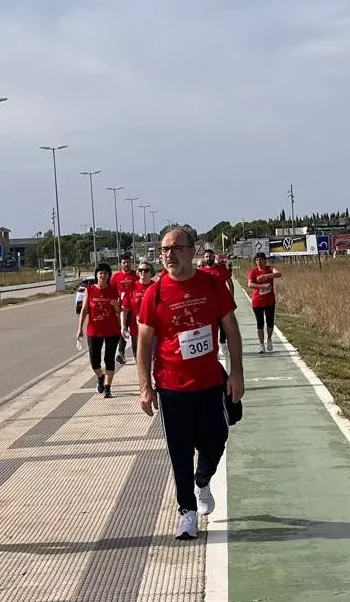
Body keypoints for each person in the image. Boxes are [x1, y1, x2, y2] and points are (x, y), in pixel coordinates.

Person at [136, 225, 244, 540]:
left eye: (176, 248)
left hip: (210, 382)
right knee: (179, 452)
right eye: (164, 249)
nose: (169, 255)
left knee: (216, 439)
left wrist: (236, 372)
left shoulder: (211, 284)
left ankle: (203, 479)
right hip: (171, 387)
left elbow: (232, 329)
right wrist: (145, 386)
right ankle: (187, 512)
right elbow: (144, 342)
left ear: (192, 251)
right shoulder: (154, 293)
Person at [77, 262, 123, 398]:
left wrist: (116, 307)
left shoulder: (113, 290)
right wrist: (79, 328)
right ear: (97, 275)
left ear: (109, 276)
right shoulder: (90, 290)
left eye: (105, 273)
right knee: (94, 361)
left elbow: (119, 312)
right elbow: (84, 310)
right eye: (100, 273)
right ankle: (100, 377)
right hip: (94, 330)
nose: (103, 275)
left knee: (109, 358)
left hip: (111, 330)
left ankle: (108, 387)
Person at [198, 248, 235, 356]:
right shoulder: (202, 272)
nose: (208, 258)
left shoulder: (222, 268)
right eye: (206, 257)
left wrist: (231, 297)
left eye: (210, 256)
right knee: (212, 327)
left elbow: (230, 284)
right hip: (210, 304)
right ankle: (215, 348)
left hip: (224, 303)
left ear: (214, 257)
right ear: (204, 259)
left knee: (224, 325)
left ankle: (223, 342)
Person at [247, 252, 281, 353]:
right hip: (257, 301)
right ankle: (261, 344)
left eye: (261, 259)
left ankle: (269, 339)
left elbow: (279, 274)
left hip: (269, 301)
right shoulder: (253, 271)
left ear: (265, 260)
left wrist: (267, 276)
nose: (259, 261)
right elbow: (250, 284)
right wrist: (262, 286)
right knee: (260, 322)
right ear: (255, 262)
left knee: (270, 321)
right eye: (257, 260)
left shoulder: (269, 269)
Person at [122, 258, 156, 361]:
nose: (143, 273)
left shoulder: (156, 287)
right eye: (140, 270)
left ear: (151, 273)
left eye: (146, 270)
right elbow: (125, 309)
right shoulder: (132, 287)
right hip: (136, 329)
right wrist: (123, 326)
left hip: (153, 329)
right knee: (139, 358)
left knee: (154, 358)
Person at [111, 253, 140, 365]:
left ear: (130, 263)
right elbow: (112, 291)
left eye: (128, 262)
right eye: (124, 262)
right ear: (120, 264)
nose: (126, 264)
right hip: (122, 310)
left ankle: (136, 355)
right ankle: (121, 353)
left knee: (134, 333)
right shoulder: (116, 277)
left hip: (134, 309)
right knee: (123, 330)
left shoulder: (136, 275)